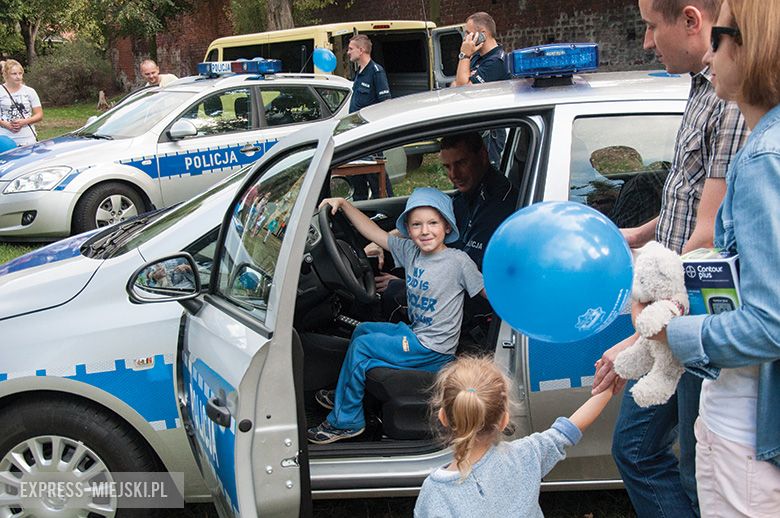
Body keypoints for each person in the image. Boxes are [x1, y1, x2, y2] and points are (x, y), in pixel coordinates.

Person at [591, 1, 749, 516]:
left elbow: (709, 236)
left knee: (692, 469)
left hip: (694, 315)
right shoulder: (703, 89)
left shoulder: (729, 100)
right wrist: (638, 234)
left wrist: (642, 330)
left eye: (650, 26)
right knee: (644, 452)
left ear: (690, 20)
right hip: (674, 317)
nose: (644, 41)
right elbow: (688, 197)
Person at [647, 1, 780, 515]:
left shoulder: (764, 158)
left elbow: (770, 324)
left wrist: (670, 335)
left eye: (719, 37)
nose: (710, 57)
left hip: (747, 431)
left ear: (749, 45)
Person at [307, 188, 485, 444]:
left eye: (433, 223)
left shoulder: (458, 262)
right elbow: (373, 232)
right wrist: (344, 205)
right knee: (363, 330)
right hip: (415, 334)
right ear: (408, 230)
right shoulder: (410, 251)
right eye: (416, 225)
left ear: (446, 226)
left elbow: (486, 291)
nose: (425, 231)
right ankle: (345, 394)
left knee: (362, 347)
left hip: (431, 348)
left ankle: (345, 422)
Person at [414, 356, 616, 517]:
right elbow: (569, 429)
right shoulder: (525, 455)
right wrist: (609, 385)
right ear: (504, 420)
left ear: (443, 417)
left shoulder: (435, 493)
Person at [375, 132, 517, 333]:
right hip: (457, 283)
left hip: (479, 305)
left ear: (483, 155)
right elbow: (433, 220)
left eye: (461, 163)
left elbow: (467, 274)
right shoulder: (468, 194)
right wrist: (382, 241)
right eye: (447, 167)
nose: (454, 174)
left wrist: (411, 283)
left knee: (391, 293)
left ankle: (416, 357)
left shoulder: (499, 206)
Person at [450, 12, 510, 166]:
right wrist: (463, 81)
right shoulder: (476, 57)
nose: (466, 39)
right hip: (476, 129)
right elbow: (455, 86)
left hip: (491, 133)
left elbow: (464, 88)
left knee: (487, 174)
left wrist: (464, 55)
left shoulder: (497, 61)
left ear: (483, 34)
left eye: (469, 34)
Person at [346, 34, 392, 200]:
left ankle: (387, 212)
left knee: (376, 179)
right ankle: (360, 213)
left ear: (362, 49)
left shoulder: (376, 72)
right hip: (355, 134)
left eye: (351, 49)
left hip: (370, 136)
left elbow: (385, 104)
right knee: (357, 179)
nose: (348, 52)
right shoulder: (359, 73)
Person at [0, 60, 42, 147]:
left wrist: (24, 121)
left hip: (28, 139)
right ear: (6, 75)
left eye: (20, 73)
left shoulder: (30, 91)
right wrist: (6, 124)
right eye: (14, 74)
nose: (18, 77)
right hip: (5, 140)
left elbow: (39, 115)